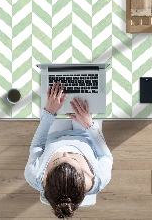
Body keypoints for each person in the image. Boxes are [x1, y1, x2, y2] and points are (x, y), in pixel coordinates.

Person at [25, 81, 113, 218]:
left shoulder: (34, 176)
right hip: (86, 134)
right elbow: (105, 156)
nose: (65, 152)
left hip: (54, 134)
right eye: (73, 159)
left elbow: (37, 146)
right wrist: (89, 125)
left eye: (57, 160)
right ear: (85, 176)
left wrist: (49, 113)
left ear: (46, 178)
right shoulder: (101, 178)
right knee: (90, 92)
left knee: (54, 96)